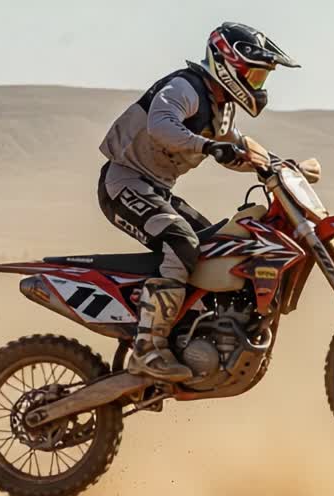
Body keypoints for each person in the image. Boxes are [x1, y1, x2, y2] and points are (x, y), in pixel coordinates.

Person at [97, 23, 298, 380]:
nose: (258, 85)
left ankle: (194, 336)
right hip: (124, 183)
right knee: (181, 241)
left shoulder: (221, 108)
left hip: (157, 189)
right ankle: (147, 348)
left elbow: (237, 149)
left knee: (217, 246)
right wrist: (207, 145)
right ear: (227, 64)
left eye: (262, 78)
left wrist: (278, 166)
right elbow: (161, 125)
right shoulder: (185, 87)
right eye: (254, 75)